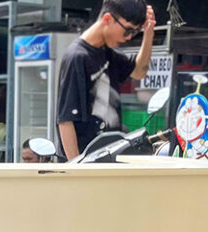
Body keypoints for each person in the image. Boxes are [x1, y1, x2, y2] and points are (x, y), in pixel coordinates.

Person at [56, 0, 156, 160]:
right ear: (108, 19)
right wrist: (77, 167)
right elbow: (66, 121)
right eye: (127, 30)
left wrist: (148, 33)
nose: (129, 37)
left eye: (135, 32)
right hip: (85, 161)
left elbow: (139, 72)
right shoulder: (77, 57)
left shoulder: (106, 52)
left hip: (107, 157)